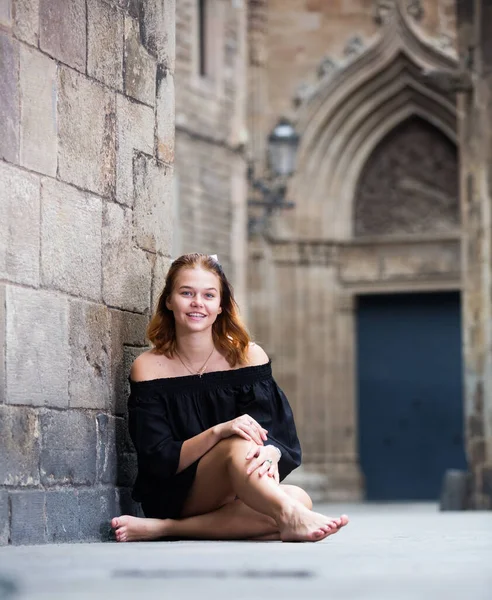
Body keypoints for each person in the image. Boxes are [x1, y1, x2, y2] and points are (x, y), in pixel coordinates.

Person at [111, 253, 349, 542]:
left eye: (209, 295)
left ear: (220, 305)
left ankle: (164, 529)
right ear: (169, 301)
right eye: (187, 293)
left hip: (240, 485)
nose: (198, 302)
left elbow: (275, 434)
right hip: (177, 493)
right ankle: (286, 517)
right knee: (236, 443)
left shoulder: (249, 357)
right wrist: (218, 432)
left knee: (299, 496)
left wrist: (272, 452)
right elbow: (158, 459)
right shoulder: (148, 367)